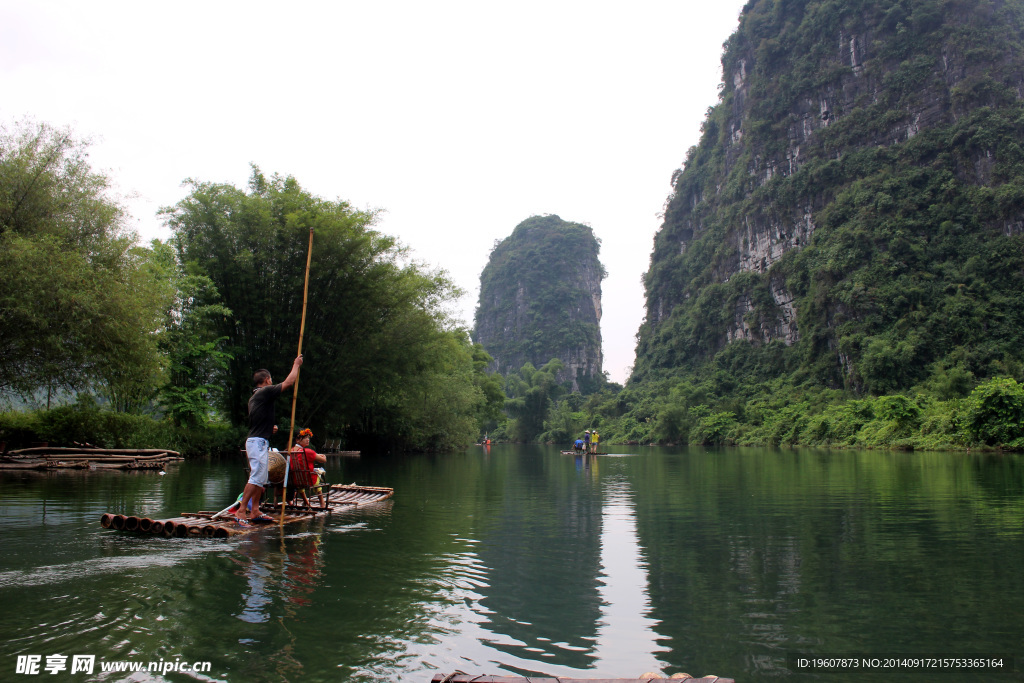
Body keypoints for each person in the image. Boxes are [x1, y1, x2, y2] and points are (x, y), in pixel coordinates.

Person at [238, 355, 303, 524]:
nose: (272, 381)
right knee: (255, 477)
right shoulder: (265, 391)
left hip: (259, 440)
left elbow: (257, 420)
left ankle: (255, 511)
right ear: (267, 380)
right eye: (271, 379)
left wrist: (269, 428)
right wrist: (296, 364)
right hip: (256, 442)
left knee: (261, 479)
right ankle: (240, 511)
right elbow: (289, 382)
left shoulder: (255, 397)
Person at [290, 428, 327, 507]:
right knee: (318, 474)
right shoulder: (307, 451)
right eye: (305, 438)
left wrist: (316, 455)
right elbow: (323, 460)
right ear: (297, 440)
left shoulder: (291, 450)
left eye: (308, 438)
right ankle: (322, 503)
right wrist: (323, 456)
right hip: (309, 480)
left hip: (296, 480)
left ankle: (306, 502)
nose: (308, 440)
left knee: (301, 479)